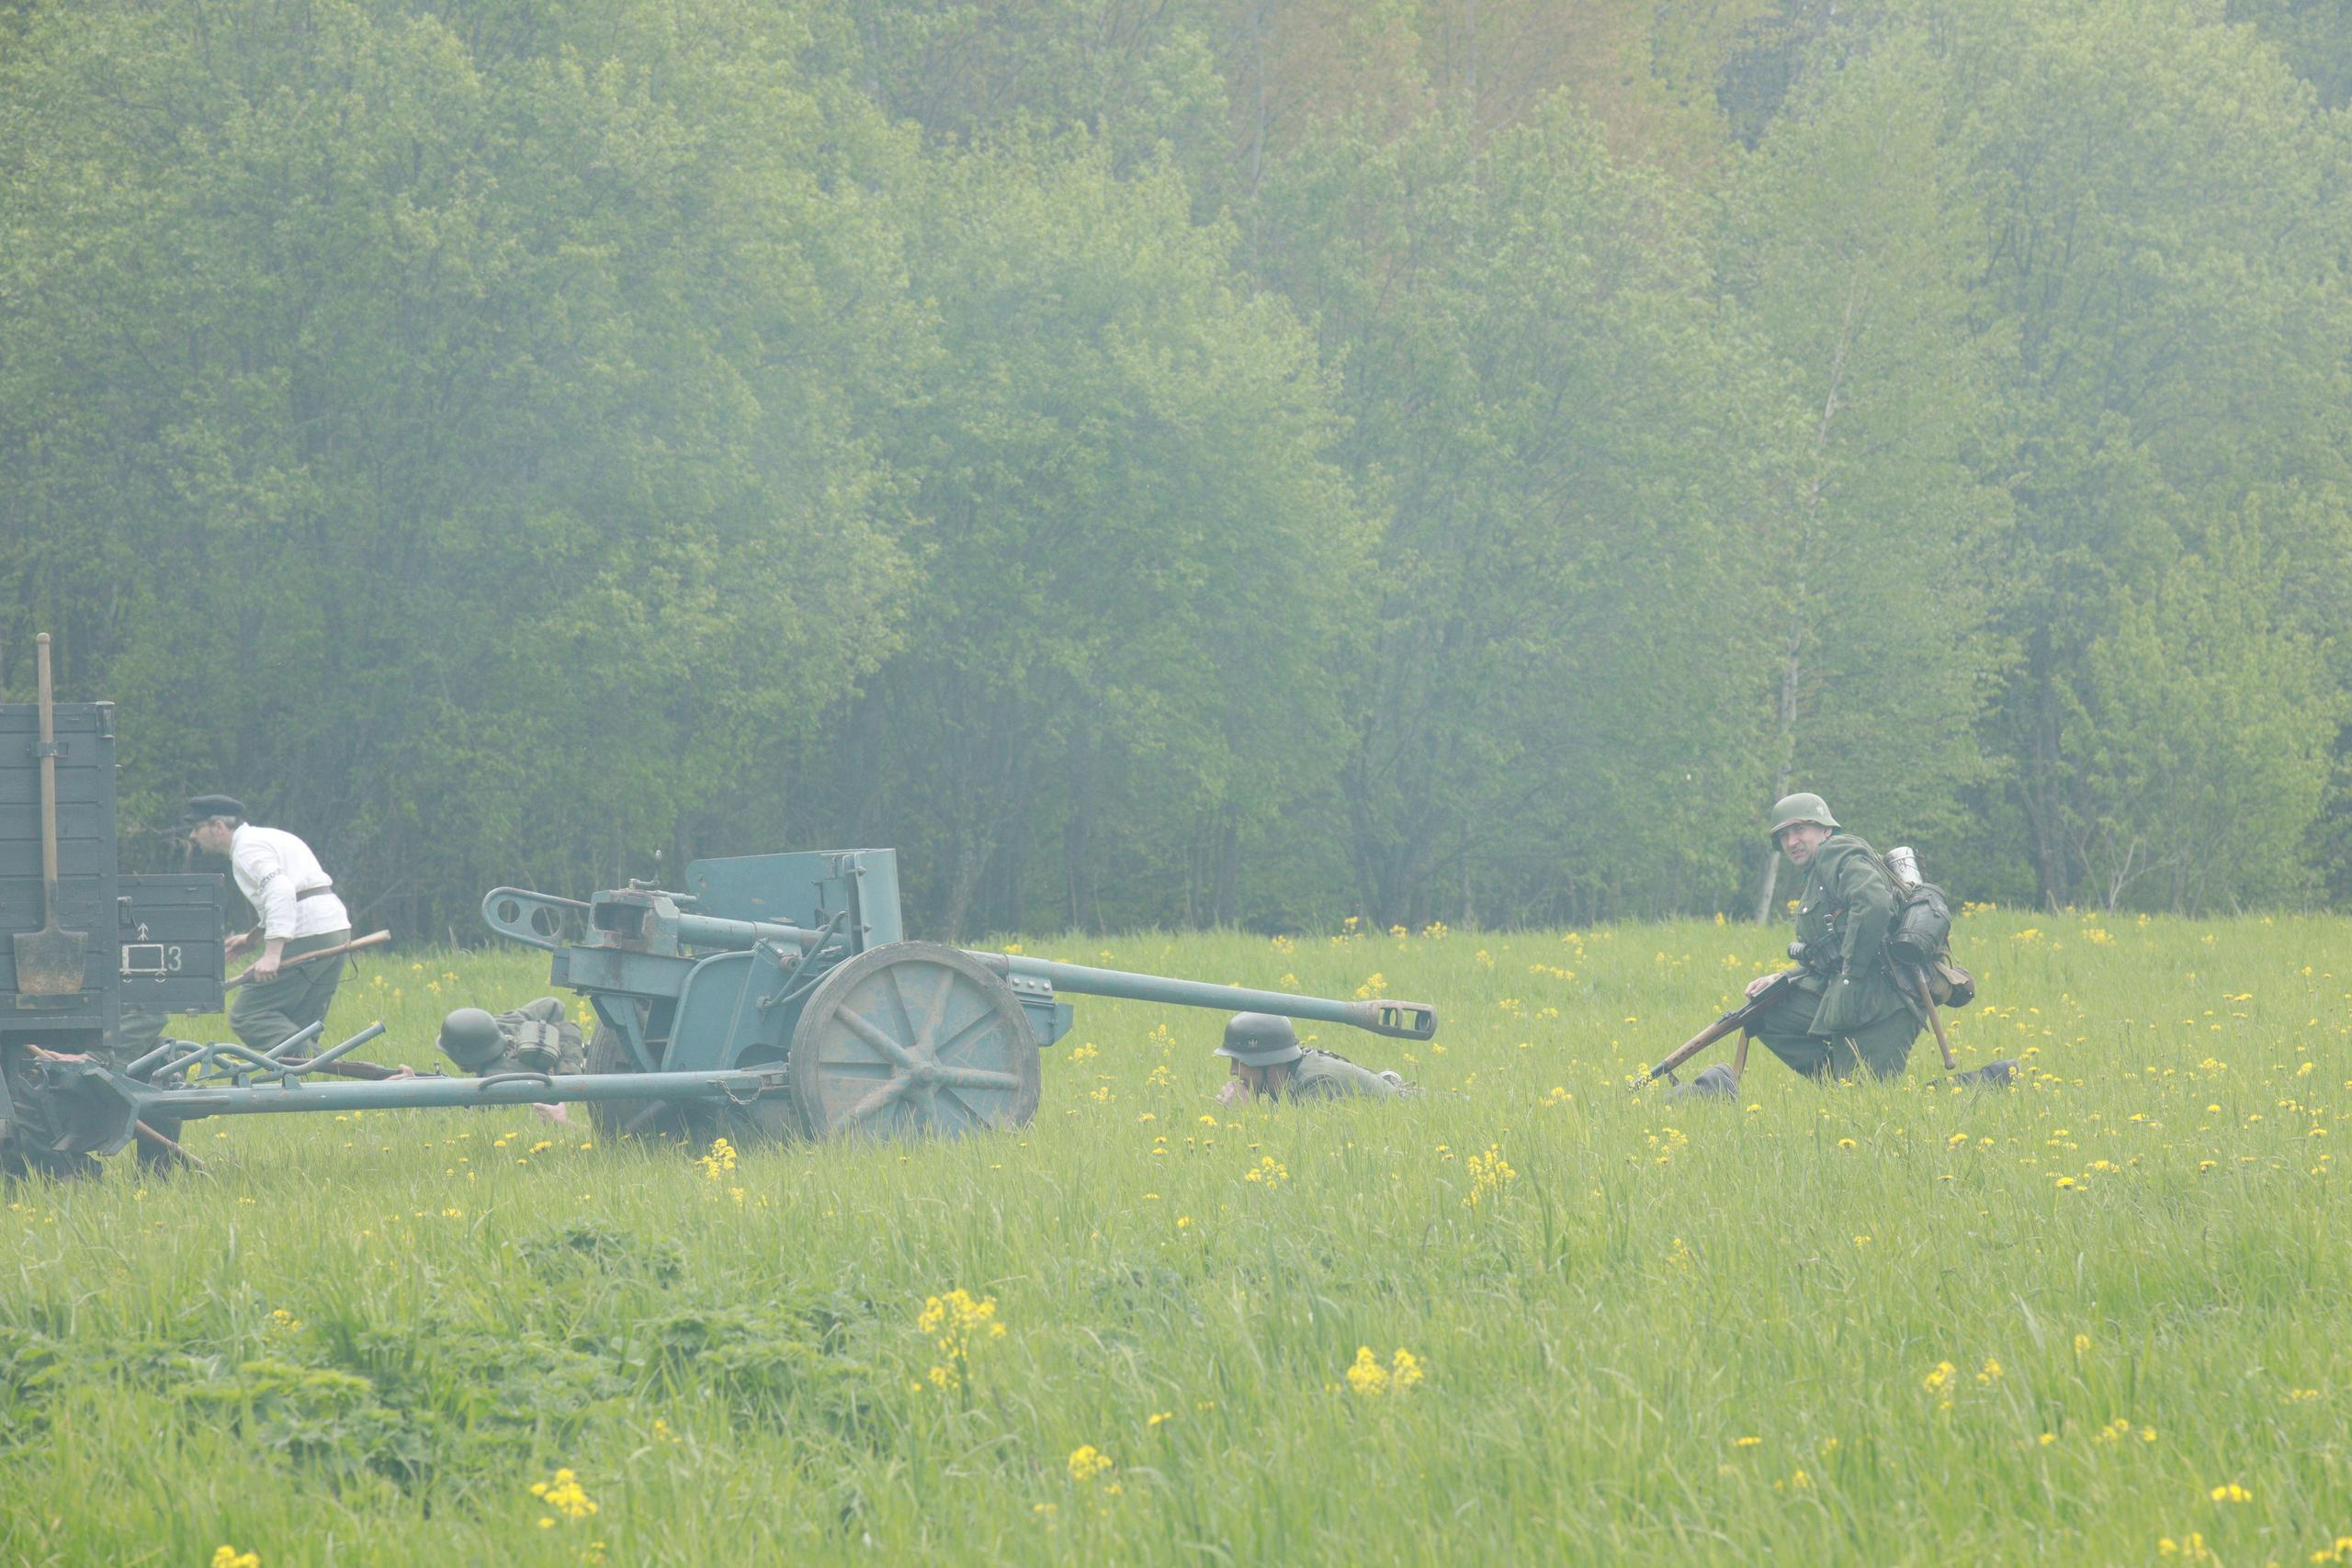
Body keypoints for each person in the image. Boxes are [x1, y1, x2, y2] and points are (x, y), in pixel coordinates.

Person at [1740, 793, 1924, 1081]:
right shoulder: (1818, 874)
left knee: (1870, 1103)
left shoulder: (1837, 852)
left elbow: (1874, 903)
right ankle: (1838, 1083)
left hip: (1883, 999)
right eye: (1785, 835)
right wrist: (1786, 977)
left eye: (1800, 829)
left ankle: (1990, 1081)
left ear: (1825, 829)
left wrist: (1851, 973)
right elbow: (1829, 950)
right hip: (1848, 993)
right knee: (1764, 1013)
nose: (1792, 842)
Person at [180, 795, 352, 1053]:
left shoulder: (247, 849)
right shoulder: (267, 837)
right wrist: (253, 939)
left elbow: (281, 890)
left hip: (310, 931)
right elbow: (293, 889)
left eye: (197, 827)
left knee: (248, 1015)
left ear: (218, 827)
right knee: (299, 1026)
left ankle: (325, 1071)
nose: (193, 836)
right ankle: (314, 1078)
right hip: (335, 928)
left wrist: (272, 955)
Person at [1211, 1012, 1410, 1106]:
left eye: (1240, 1062)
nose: (1232, 1072)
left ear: (1267, 1060)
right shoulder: (1283, 1084)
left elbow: (1304, 1154)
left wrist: (1244, 1116)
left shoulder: (1317, 1084)